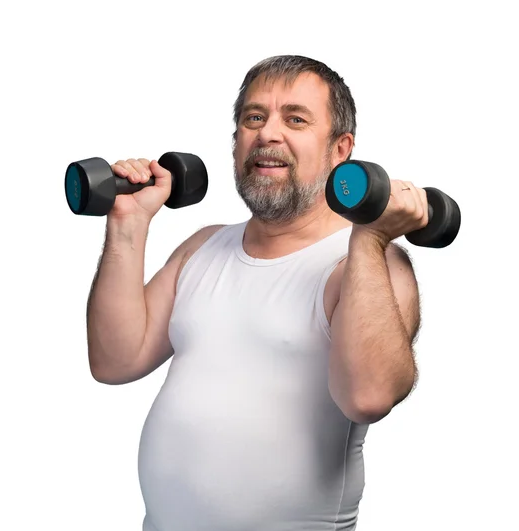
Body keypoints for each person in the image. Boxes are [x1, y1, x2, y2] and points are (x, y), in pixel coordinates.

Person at [86, 55, 424, 531]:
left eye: (296, 119)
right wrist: (127, 226)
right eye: (254, 117)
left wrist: (368, 236)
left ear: (340, 150)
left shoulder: (364, 263)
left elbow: (368, 397)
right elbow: (115, 361)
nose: (267, 133)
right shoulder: (202, 247)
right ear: (235, 143)